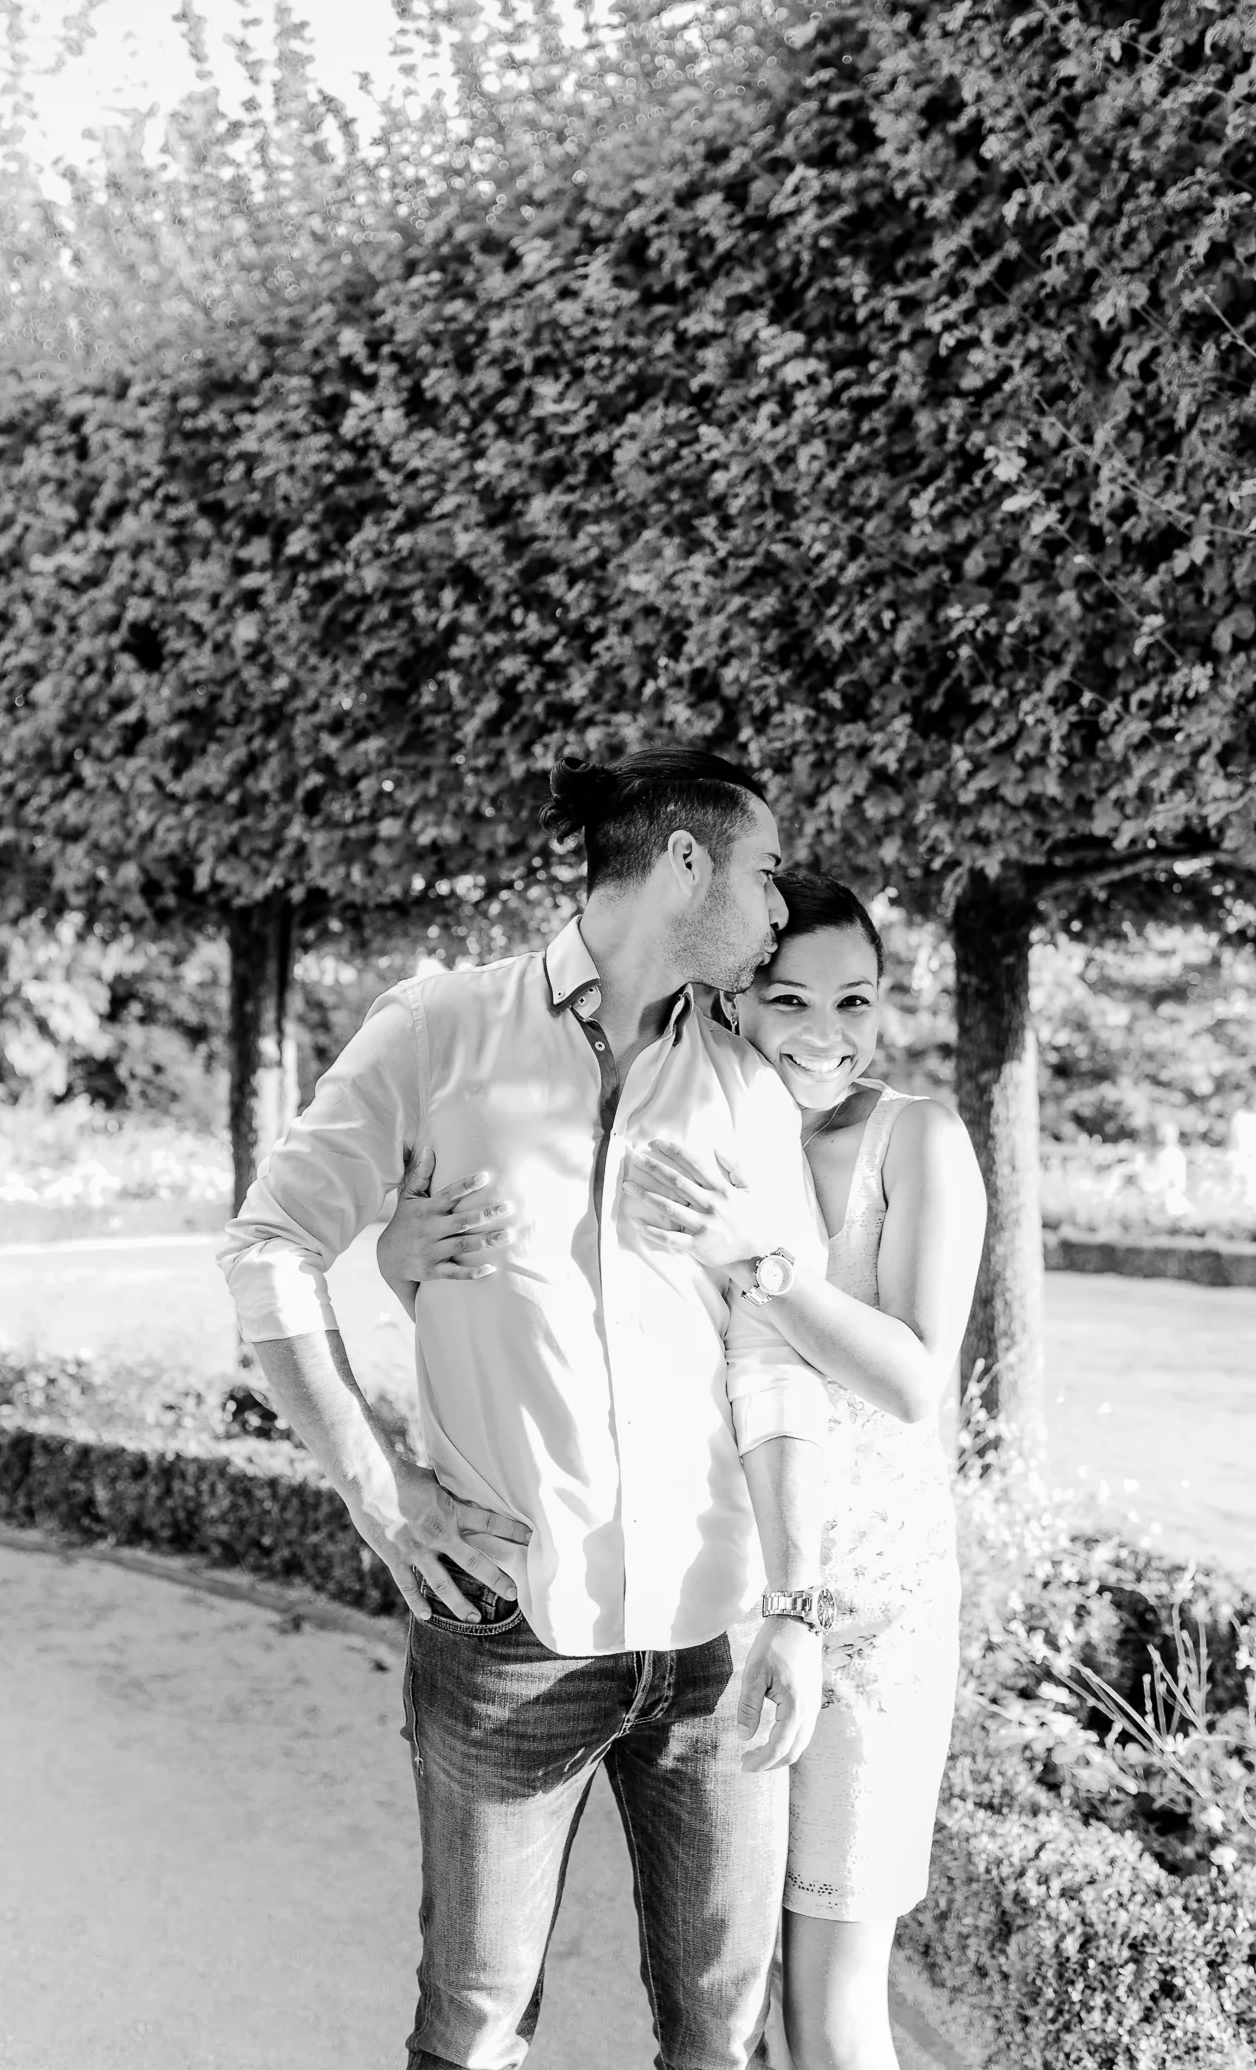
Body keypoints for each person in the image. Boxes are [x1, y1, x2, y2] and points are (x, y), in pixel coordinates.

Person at [219, 747, 837, 2070]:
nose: (782, 911)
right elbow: (272, 1245)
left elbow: (777, 1359)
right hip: (507, 1624)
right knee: (476, 2031)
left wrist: (798, 1604)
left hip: (715, 1637)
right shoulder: (438, 1027)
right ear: (684, 861)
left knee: (722, 2040)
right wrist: (379, 1493)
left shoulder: (742, 1086)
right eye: (768, 874)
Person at [384, 872, 985, 2070]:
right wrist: (404, 1252)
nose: (825, 1033)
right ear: (728, 999)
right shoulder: (689, 1119)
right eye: (788, 998)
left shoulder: (914, 1137)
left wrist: (755, 1261)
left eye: (855, 1000)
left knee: (828, 1997)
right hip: (719, 1590)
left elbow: (917, 1385)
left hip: (859, 1603)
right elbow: (545, 1306)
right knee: (732, 2001)